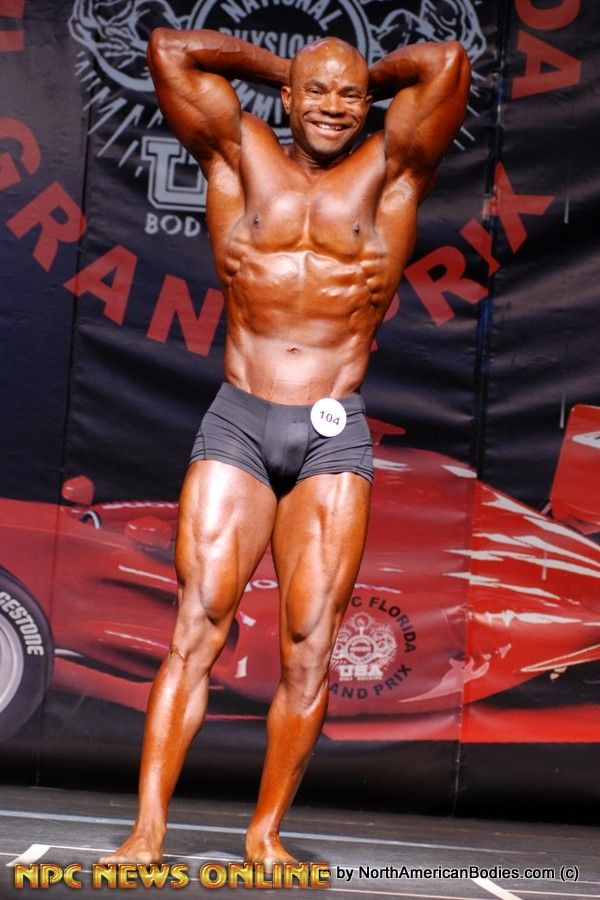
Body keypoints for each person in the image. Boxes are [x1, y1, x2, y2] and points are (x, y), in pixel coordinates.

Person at [100, 26, 470, 868]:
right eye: (317, 93)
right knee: (197, 626)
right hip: (239, 420)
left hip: (332, 434)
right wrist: (295, 69)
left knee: (309, 643)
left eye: (350, 96)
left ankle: (264, 835)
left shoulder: (392, 171)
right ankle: (147, 831)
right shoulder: (239, 154)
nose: (334, 108)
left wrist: (359, 80)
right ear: (288, 97)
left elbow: (446, 62)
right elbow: (170, 50)